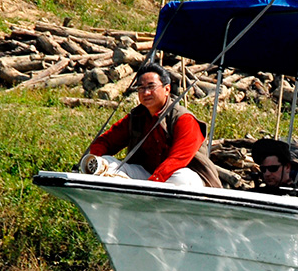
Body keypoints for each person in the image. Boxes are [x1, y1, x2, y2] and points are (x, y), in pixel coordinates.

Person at [82, 63, 221, 188]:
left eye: (151, 87)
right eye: (141, 88)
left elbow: (178, 159)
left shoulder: (184, 119)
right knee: (105, 163)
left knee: (184, 178)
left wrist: (153, 183)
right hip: (149, 177)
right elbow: (106, 141)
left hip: (177, 178)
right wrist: (93, 159)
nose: (145, 93)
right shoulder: (136, 117)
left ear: (167, 89)